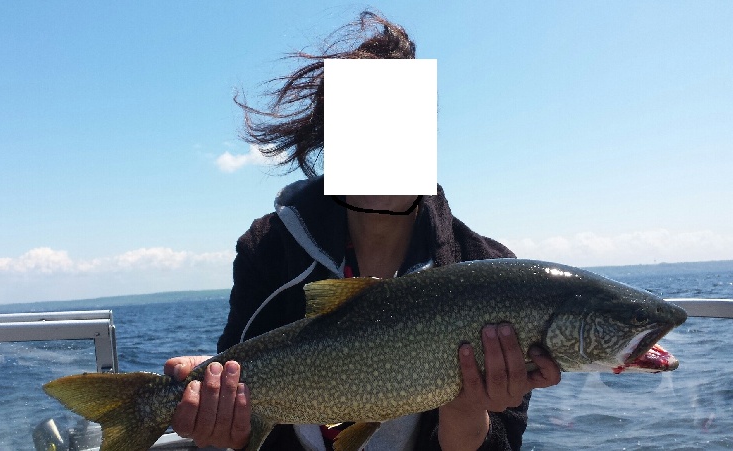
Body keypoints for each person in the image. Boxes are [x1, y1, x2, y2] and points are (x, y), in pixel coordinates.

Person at [164, 11, 561, 451]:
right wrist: (221, 419)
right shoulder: (269, 248)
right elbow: (238, 400)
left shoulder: (491, 272)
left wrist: (465, 407)